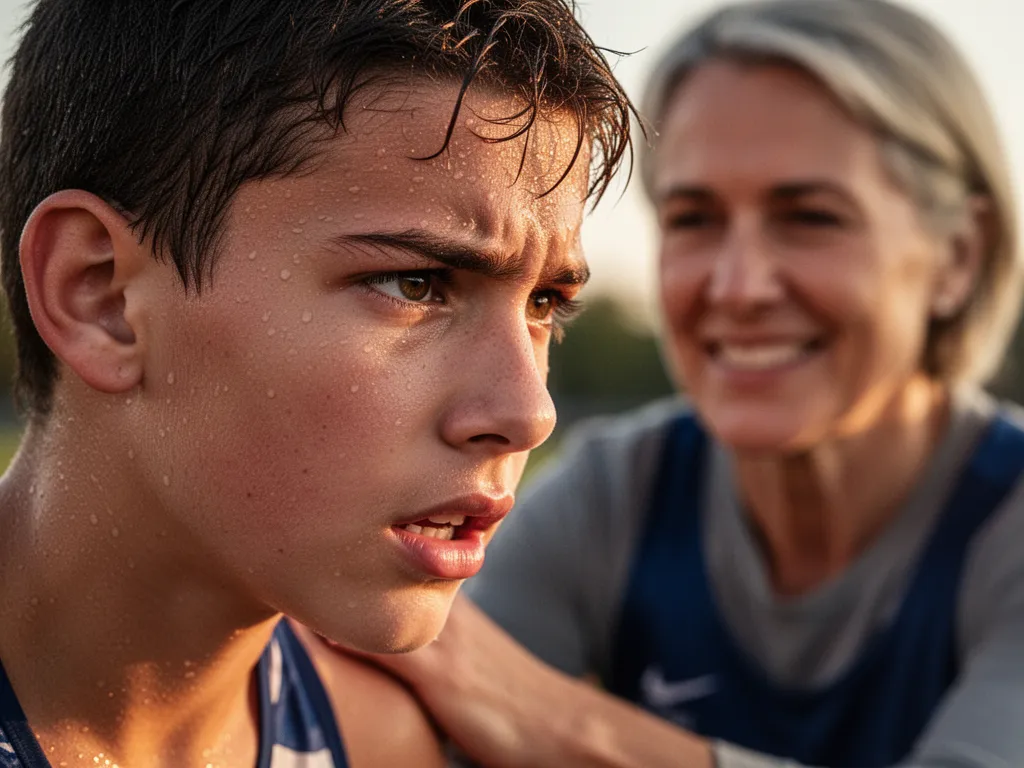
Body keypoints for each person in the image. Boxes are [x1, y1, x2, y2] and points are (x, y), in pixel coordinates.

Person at [368, 1, 1024, 766]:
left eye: (810, 217)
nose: (738, 286)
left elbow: (494, 691)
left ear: (957, 259)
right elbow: (403, 710)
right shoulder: (617, 495)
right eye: (694, 219)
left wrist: (563, 726)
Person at [0, 1, 634, 766]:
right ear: (99, 295)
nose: (529, 411)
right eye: (414, 284)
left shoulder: (384, 743)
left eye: (544, 305)